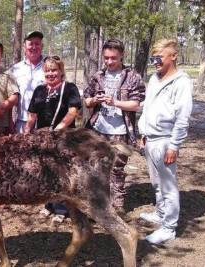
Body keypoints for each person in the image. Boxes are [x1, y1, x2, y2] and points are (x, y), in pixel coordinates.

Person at [138, 39, 193, 244]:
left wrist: (174, 145)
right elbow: (148, 107)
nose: (155, 61)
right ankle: (161, 213)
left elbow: (182, 117)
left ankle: (169, 228)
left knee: (168, 186)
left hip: (165, 141)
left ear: (173, 56)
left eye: (159, 57)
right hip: (150, 139)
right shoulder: (154, 79)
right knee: (156, 182)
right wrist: (143, 132)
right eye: (153, 57)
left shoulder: (181, 82)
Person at [83, 38, 145, 215]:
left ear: (122, 56)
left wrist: (115, 102)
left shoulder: (132, 77)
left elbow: (136, 104)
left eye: (113, 58)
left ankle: (117, 208)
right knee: (96, 168)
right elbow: (87, 100)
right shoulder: (98, 76)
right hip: (98, 130)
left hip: (121, 131)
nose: (109, 62)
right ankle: (99, 206)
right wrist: (94, 100)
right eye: (106, 58)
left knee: (116, 169)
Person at [25, 56, 82, 222]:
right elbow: (32, 114)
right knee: (45, 173)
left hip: (62, 138)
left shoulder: (69, 88)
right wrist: (27, 131)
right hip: (41, 139)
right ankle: (49, 205)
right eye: (47, 70)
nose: (51, 73)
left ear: (61, 71)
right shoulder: (39, 90)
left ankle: (62, 209)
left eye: (54, 70)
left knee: (61, 173)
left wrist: (56, 130)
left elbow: (73, 112)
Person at [9, 31, 45, 133]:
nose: (34, 47)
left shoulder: (49, 68)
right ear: (25, 47)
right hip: (22, 123)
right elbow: (10, 97)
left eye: (37, 44)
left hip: (44, 123)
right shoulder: (15, 69)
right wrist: (10, 121)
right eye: (30, 44)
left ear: (41, 46)